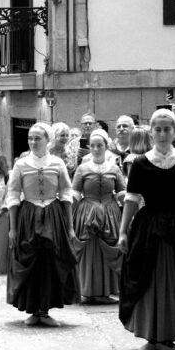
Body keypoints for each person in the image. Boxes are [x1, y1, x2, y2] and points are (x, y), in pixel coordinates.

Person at [118, 108, 175, 350]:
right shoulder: (140, 163)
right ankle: (151, 336)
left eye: (167, 129)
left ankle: (170, 337)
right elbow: (131, 199)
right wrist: (123, 232)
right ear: (151, 132)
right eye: (157, 129)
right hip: (149, 229)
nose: (162, 133)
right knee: (146, 279)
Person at [6, 122, 80, 326]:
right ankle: (33, 309)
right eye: (30, 138)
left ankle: (45, 310)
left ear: (48, 140)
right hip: (28, 215)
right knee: (31, 260)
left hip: (52, 215)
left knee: (50, 261)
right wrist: (13, 228)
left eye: (37, 138)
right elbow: (12, 194)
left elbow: (66, 193)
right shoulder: (21, 165)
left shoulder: (57, 163)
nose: (32, 142)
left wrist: (70, 227)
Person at [71, 129, 125, 305]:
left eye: (99, 145)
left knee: (107, 251)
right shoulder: (82, 168)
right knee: (88, 252)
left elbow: (121, 191)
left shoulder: (115, 168)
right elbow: (75, 192)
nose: (95, 149)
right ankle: (88, 291)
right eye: (92, 145)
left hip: (110, 213)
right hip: (87, 214)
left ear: (106, 146)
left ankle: (105, 291)